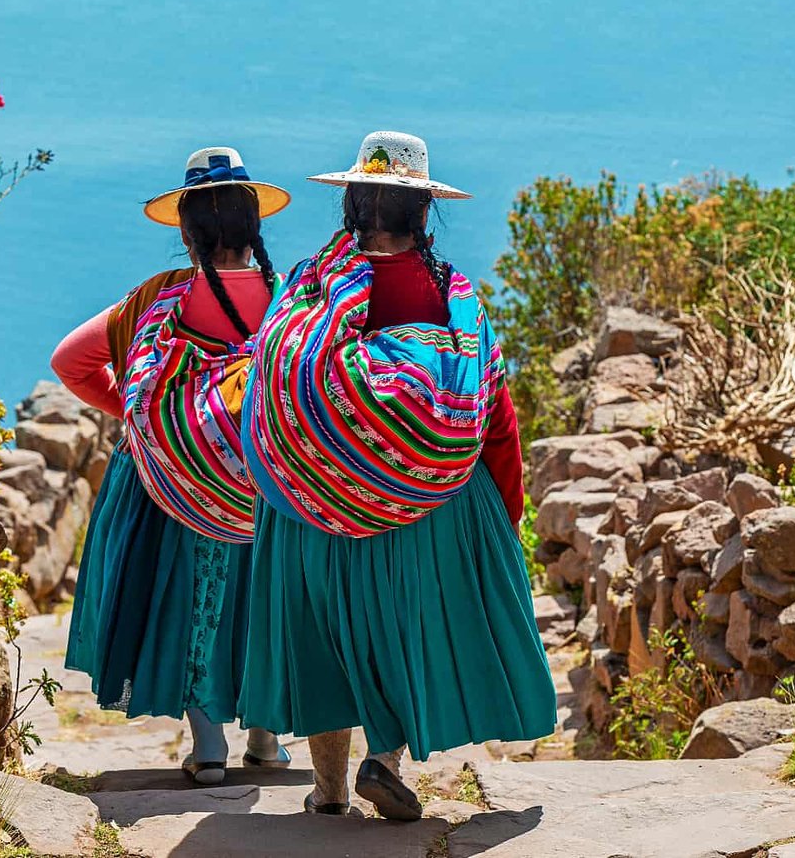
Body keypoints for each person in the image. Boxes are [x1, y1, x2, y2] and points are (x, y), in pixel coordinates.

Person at [237, 131, 556, 819]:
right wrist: (504, 509)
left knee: (327, 648)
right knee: (414, 637)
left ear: (352, 201)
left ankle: (326, 791)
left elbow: (267, 385)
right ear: (423, 211)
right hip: (429, 509)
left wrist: (287, 481)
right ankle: (383, 763)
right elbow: (492, 412)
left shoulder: (306, 285)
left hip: (313, 509)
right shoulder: (454, 297)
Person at [55, 147, 292, 784]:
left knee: (191, 599)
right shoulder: (291, 302)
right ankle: (266, 741)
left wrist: (144, 416)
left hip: (170, 482)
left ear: (185, 233)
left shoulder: (159, 302)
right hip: (267, 482)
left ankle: (208, 747)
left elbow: (69, 363)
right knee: (262, 601)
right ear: (254, 227)